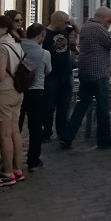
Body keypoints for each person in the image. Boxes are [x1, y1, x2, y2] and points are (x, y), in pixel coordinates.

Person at [61, 6, 111, 149]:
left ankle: (68, 135)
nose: (110, 22)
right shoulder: (99, 28)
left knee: (82, 105)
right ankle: (103, 138)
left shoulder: (86, 26)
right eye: (110, 19)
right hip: (99, 74)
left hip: (85, 73)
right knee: (103, 107)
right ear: (105, 18)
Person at [0, 15, 26, 187]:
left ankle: (7, 173)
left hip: (2, 92)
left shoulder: (1, 47)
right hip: (16, 91)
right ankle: (17, 169)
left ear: (4, 28)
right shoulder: (15, 43)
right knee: (15, 132)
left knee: (5, 135)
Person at [18, 23, 52, 172]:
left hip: (19, 90)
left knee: (16, 127)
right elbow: (48, 71)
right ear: (40, 36)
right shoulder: (44, 53)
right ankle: (33, 160)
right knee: (35, 127)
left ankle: (13, 160)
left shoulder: (18, 47)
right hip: (36, 91)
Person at [42, 11, 76, 142]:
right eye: (65, 22)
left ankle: (62, 131)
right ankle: (47, 131)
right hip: (51, 75)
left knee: (64, 106)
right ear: (57, 21)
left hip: (66, 73)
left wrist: (72, 23)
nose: (67, 25)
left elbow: (77, 30)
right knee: (49, 106)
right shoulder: (46, 34)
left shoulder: (66, 30)